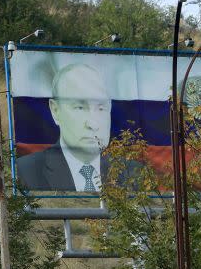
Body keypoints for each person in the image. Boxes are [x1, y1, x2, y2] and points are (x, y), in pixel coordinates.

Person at [16, 63, 140, 191]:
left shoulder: (134, 173)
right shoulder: (26, 171)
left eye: (101, 108)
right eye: (80, 108)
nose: (93, 124)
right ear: (55, 110)